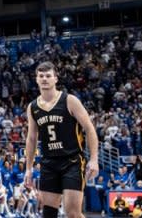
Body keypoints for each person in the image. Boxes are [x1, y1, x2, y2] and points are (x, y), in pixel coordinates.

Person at [24, 61, 99, 218]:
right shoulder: (33, 107)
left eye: (48, 76)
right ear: (36, 79)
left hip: (71, 161)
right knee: (49, 213)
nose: (44, 79)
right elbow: (31, 139)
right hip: (49, 162)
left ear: (55, 79)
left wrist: (94, 159)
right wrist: (28, 168)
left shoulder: (69, 100)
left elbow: (89, 129)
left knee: (72, 213)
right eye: (41, 76)